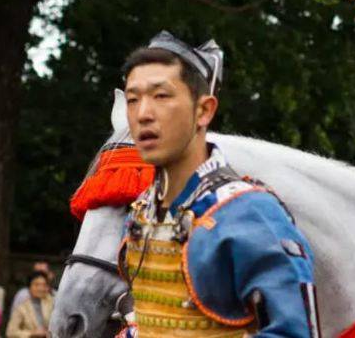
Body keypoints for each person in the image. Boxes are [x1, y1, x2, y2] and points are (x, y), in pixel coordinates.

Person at [117, 31, 320, 338]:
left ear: (204, 110)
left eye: (161, 96)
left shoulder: (252, 214)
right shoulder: (141, 212)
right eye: (133, 100)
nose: (143, 113)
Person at [6, 271, 53, 338]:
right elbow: (10, 332)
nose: (41, 288)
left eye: (44, 285)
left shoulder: (53, 303)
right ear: (29, 287)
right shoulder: (22, 308)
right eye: (36, 285)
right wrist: (32, 333)